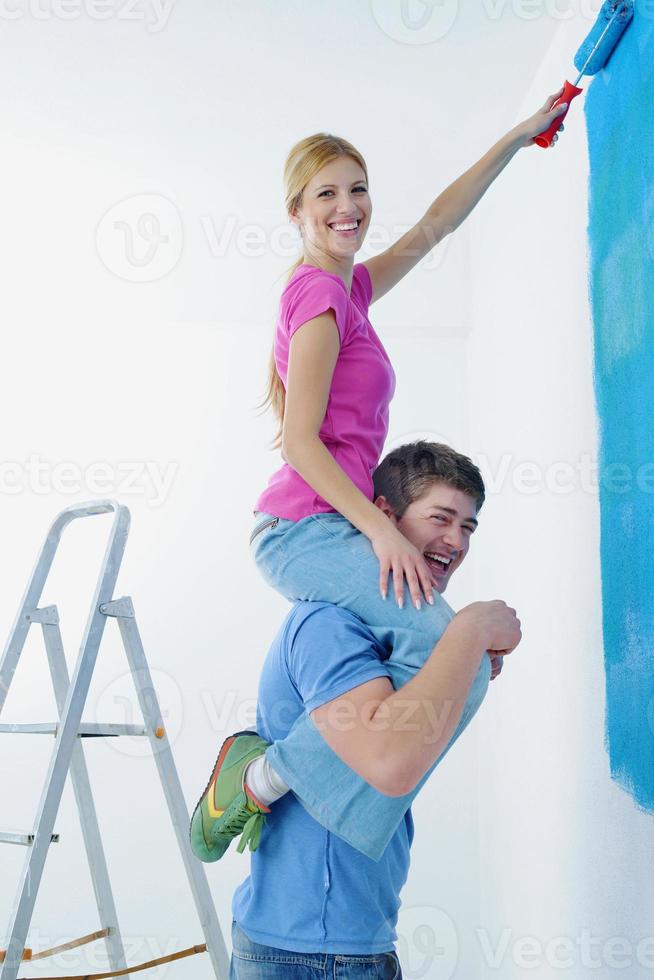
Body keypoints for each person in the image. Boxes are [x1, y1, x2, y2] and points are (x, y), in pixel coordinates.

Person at [190, 100, 561, 864]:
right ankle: (261, 777)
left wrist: (520, 137)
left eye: (357, 188)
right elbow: (299, 443)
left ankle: (280, 776)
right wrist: (381, 528)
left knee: (457, 666)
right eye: (326, 193)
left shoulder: (349, 289)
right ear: (296, 211)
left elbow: (436, 224)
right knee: (447, 651)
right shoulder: (319, 297)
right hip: (305, 528)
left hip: (330, 522)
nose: (347, 206)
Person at [217, 448, 522, 975]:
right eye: (440, 519)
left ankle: (259, 775)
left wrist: (454, 657)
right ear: (382, 516)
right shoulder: (329, 625)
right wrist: (468, 633)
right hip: (312, 953)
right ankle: (256, 777)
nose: (457, 541)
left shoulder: (395, 636)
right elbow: (389, 761)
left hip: (347, 940)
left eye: (468, 527)